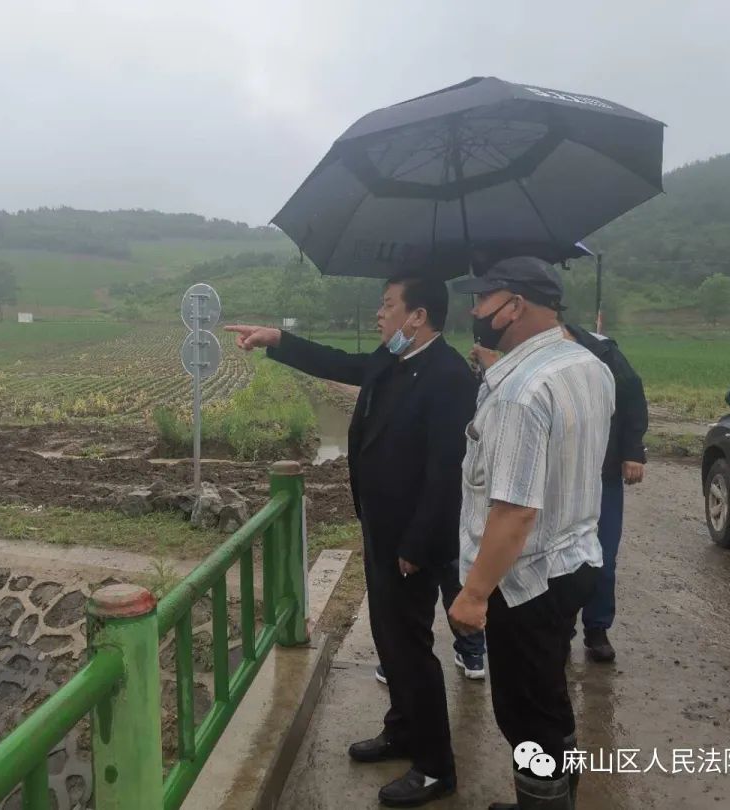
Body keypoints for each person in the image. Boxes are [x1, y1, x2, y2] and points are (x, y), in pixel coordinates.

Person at [226, 275, 479, 807]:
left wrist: (416, 543)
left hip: (412, 541)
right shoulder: (393, 359)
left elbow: (445, 472)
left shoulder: (449, 376)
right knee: (389, 639)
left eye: (388, 306)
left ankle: (436, 767)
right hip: (380, 529)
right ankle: (402, 730)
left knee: (411, 648)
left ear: (419, 316)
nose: (378, 315)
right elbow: (342, 365)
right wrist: (278, 340)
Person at [447, 257, 614, 810]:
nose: (473, 312)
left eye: (482, 301)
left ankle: (542, 803)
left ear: (514, 306)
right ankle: (556, 797)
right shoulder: (588, 365)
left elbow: (514, 512)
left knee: (524, 717)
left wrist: (473, 594)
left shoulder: (521, 393)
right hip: (575, 561)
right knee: (548, 696)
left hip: (526, 580)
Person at [472, 322, 649, 663]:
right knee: (550, 555)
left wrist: (632, 450)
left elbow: (632, 393)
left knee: (600, 554)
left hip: (600, 471)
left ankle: (597, 628)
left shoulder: (601, 350)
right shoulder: (528, 357)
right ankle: (561, 628)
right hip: (554, 472)